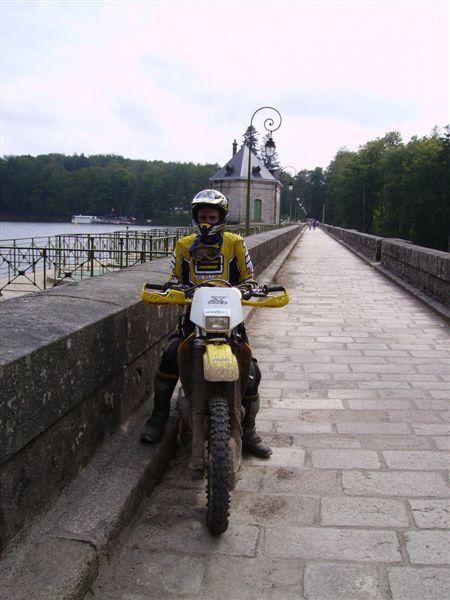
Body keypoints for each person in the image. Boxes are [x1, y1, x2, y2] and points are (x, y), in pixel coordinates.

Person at [140, 189, 272, 458]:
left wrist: (247, 290)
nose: (207, 222)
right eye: (202, 216)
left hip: (229, 319)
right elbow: (175, 276)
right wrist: (177, 290)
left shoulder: (235, 242)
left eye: (212, 217)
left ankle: (248, 430)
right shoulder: (184, 245)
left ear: (221, 218)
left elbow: (249, 277)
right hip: (194, 317)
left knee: (251, 373)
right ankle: (158, 417)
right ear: (195, 217)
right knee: (169, 358)